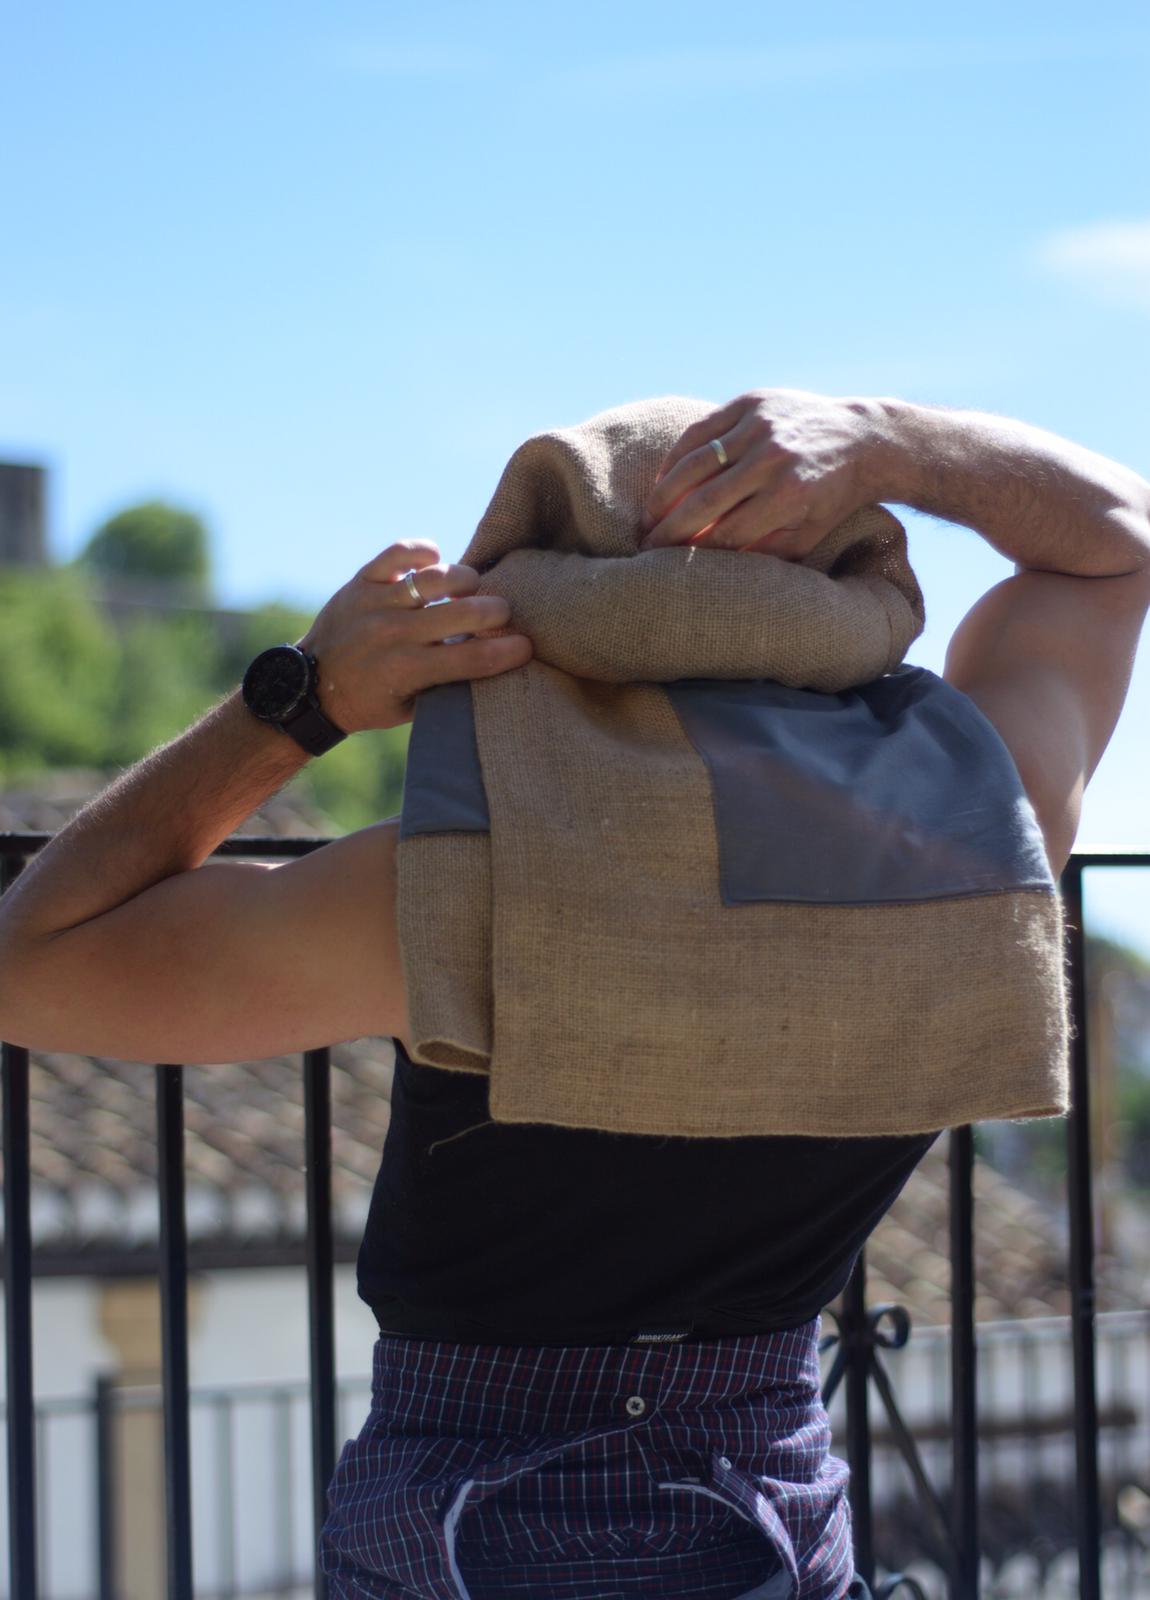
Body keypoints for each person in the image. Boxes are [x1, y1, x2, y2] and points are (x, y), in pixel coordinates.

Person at [1, 387, 1148, 1599]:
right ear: (849, 586)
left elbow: (29, 966)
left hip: (460, 1527)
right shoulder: (980, 826)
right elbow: (1114, 540)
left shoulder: (450, 881)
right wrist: (885, 438)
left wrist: (299, 701)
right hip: (766, 1514)